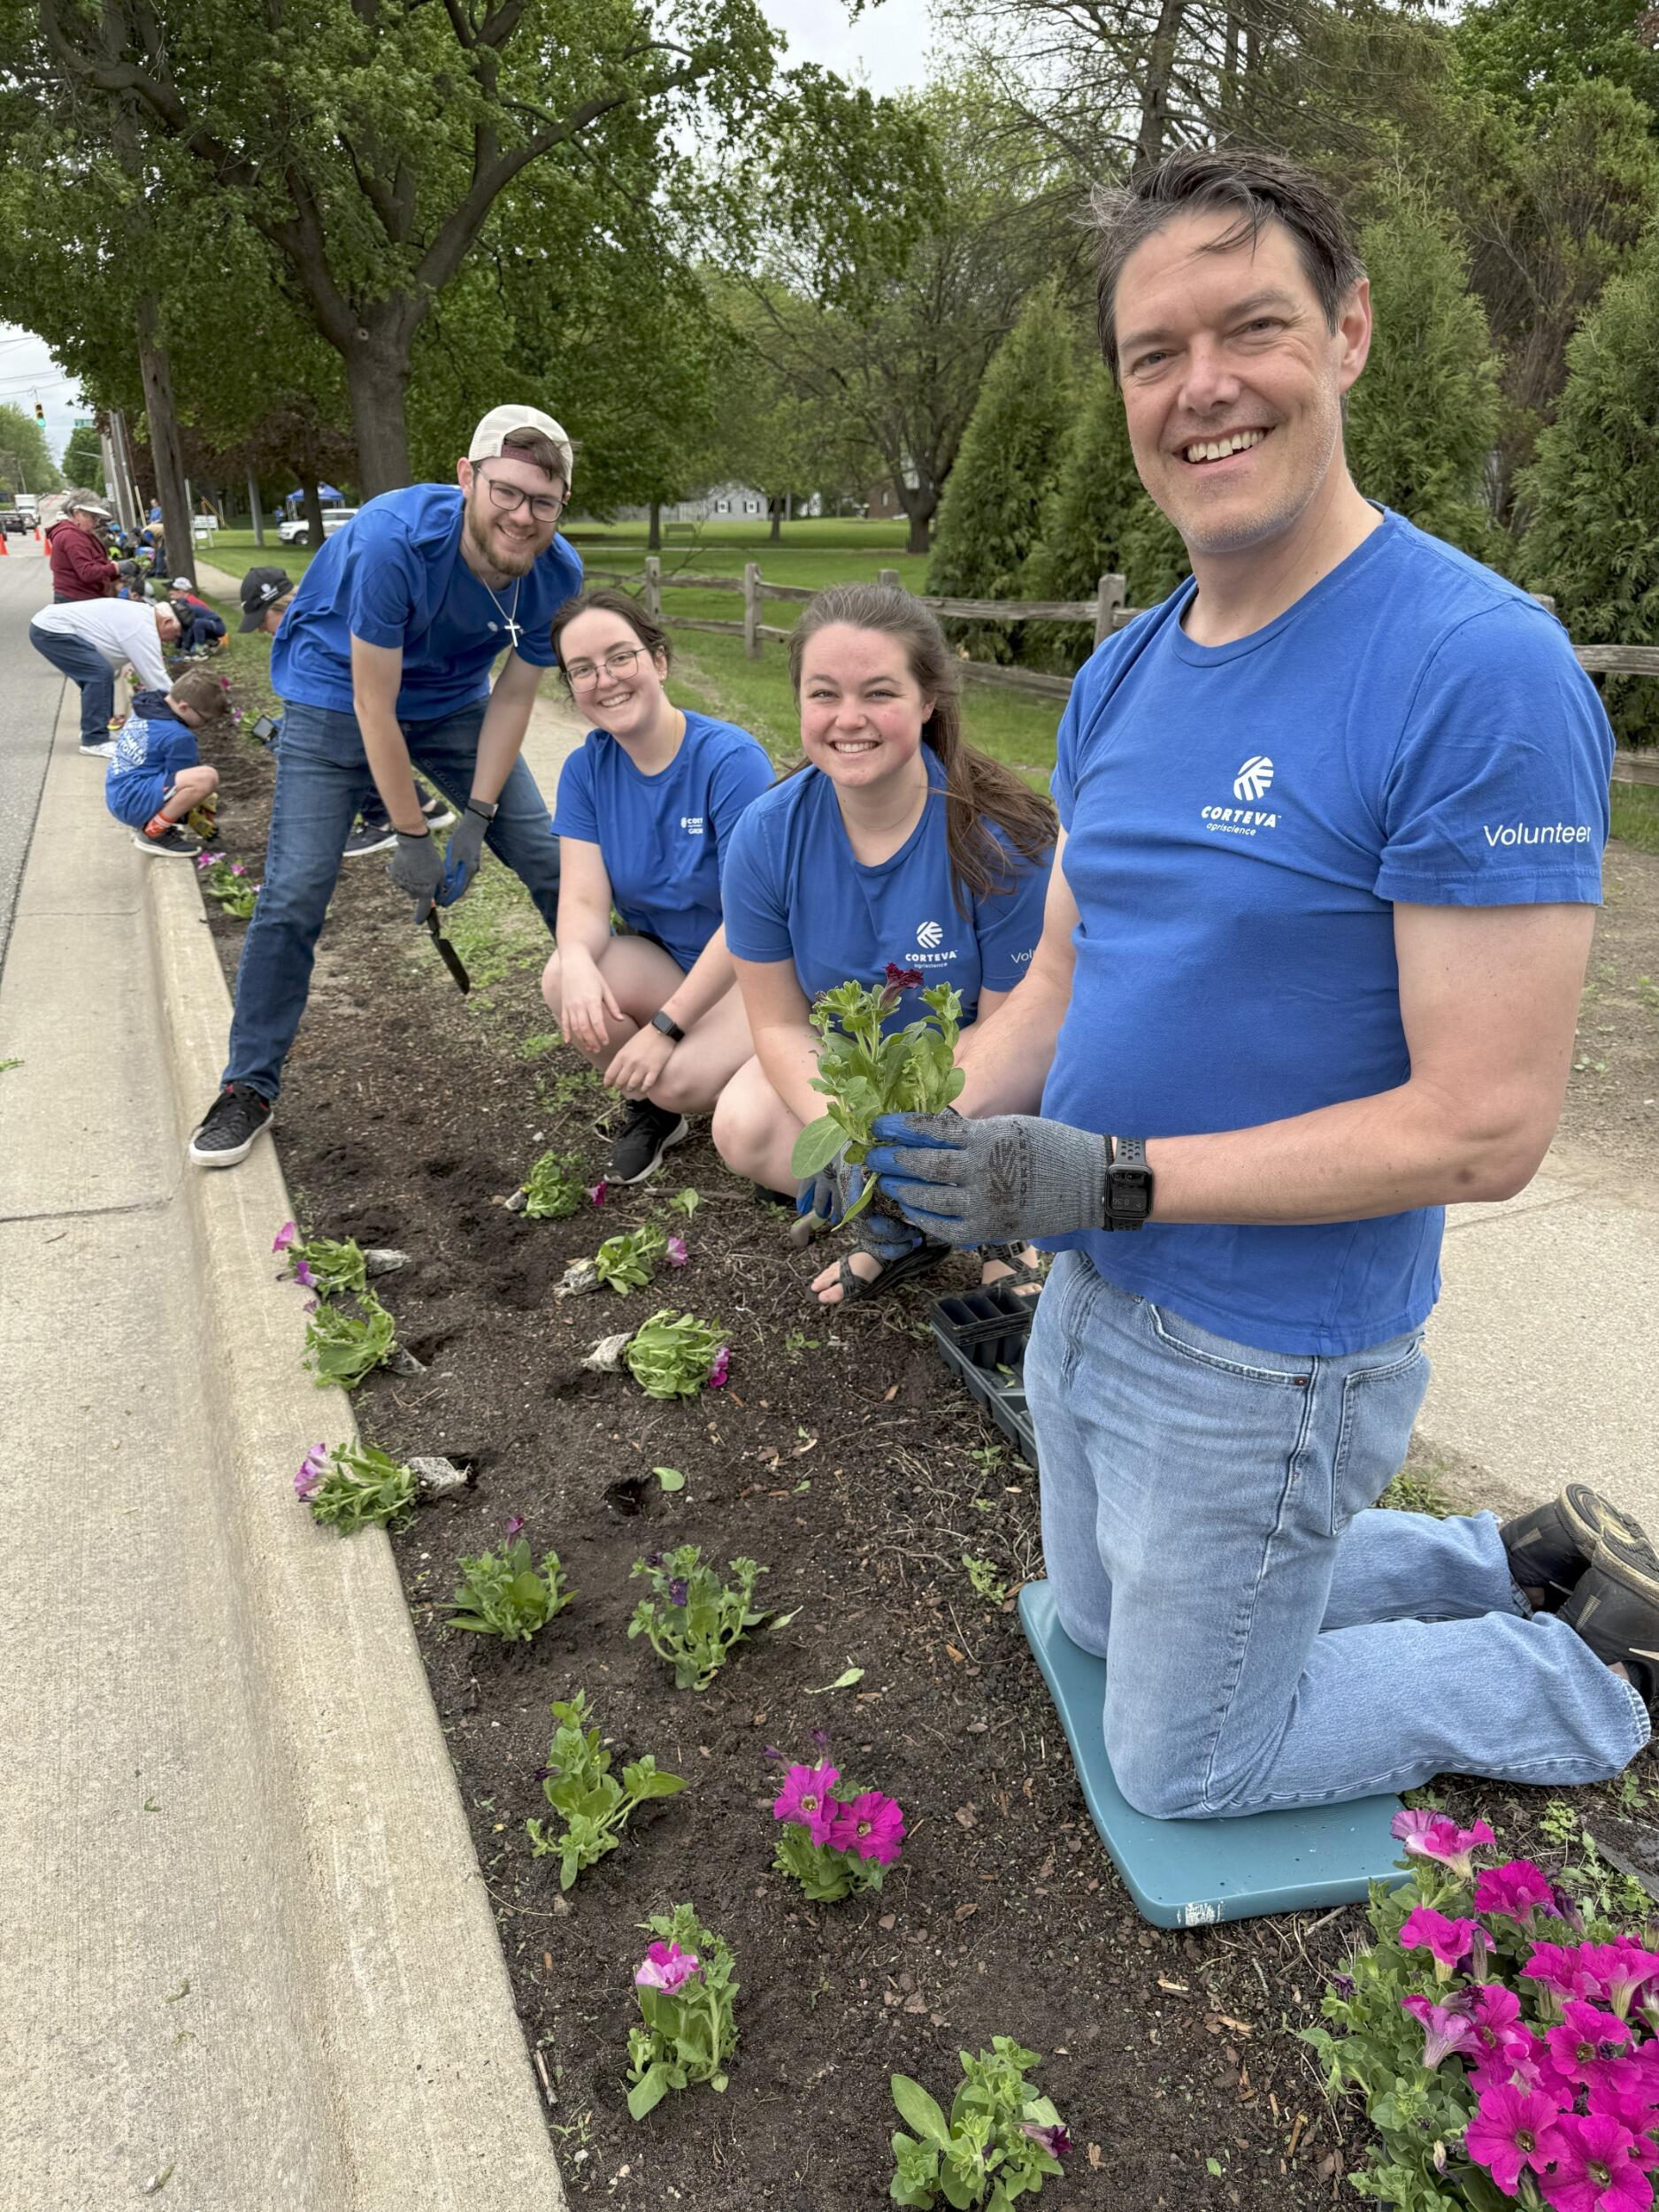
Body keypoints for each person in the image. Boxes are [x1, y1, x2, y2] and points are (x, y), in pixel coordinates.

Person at [857, 147, 1647, 1819]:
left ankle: (1596, 1668)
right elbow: (1067, 964)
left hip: (1271, 1357)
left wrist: (1115, 1179)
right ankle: (1494, 1558)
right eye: (1156, 353)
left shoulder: (1471, 668)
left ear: (1348, 335)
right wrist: (925, 1131)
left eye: (1254, 330)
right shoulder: (1129, 669)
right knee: (1089, 1613)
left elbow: (1484, 1131)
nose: (1202, 388)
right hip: (1092, 1300)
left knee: (1186, 1755)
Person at [187, 404, 582, 1169]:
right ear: (467, 478)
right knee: (297, 890)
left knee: (546, 854)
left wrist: (475, 817)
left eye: (543, 501)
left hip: (454, 700)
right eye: (506, 492)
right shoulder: (390, 540)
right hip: (335, 691)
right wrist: (409, 834)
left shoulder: (556, 572)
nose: (522, 516)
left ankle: (636, 1045)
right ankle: (248, 1087)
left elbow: (514, 697)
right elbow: (375, 704)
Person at [712, 583, 1054, 1305]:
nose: (848, 719)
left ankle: (1001, 1233)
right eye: (823, 693)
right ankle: (901, 1231)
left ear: (927, 701)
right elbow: (776, 1022)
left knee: (1032, 1096)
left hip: (978, 1077)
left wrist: (927, 1142)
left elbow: (1015, 1033)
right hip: (860, 1078)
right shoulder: (766, 836)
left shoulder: (1002, 840)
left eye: (878, 693)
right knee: (741, 1125)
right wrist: (843, 1142)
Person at [541, 588, 773, 1183]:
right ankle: (651, 1113)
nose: (606, 679)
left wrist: (665, 1029)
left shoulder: (728, 761)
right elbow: (585, 900)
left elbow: (752, 920)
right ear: (571, 689)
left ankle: (765, 1080)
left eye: (621, 657)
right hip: (670, 964)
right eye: (583, 670)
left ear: (659, 661)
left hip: (753, 970)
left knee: (677, 1078)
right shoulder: (586, 770)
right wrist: (576, 960)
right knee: (564, 973)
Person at [235, 565, 451, 838]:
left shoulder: (312, 632)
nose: (262, 632)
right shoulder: (315, 614)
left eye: (261, 621)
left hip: (381, 702)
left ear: (278, 607)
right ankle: (428, 807)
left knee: (340, 746)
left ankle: (381, 823)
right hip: (377, 700)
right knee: (292, 736)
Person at [28, 594, 183, 757]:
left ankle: (96, 730)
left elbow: (147, 676)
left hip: (48, 625)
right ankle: (94, 740)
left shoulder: (142, 616)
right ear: (167, 622)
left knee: (99, 674)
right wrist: (182, 707)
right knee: (99, 674)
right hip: (51, 629)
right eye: (177, 633)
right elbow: (155, 678)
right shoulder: (142, 627)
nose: (174, 640)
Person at [104, 665, 229, 858]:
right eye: (205, 720)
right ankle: (153, 832)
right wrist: (192, 813)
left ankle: (152, 824)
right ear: (184, 707)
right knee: (206, 777)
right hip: (133, 803)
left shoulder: (147, 707)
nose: (205, 725)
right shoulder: (179, 736)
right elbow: (184, 784)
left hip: (120, 794)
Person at [46, 492, 119, 602]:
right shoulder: (71, 536)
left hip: (82, 598)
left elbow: (97, 563)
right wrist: (116, 568)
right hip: (76, 599)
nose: (96, 523)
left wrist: (115, 572)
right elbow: (87, 573)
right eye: (93, 517)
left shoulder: (81, 535)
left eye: (97, 518)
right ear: (77, 514)